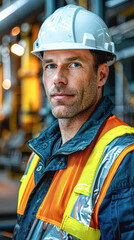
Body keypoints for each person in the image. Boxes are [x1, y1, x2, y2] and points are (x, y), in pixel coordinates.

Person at [13, 4, 134, 240]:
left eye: (74, 64)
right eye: (50, 66)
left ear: (101, 75)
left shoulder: (124, 161)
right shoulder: (40, 154)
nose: (58, 78)